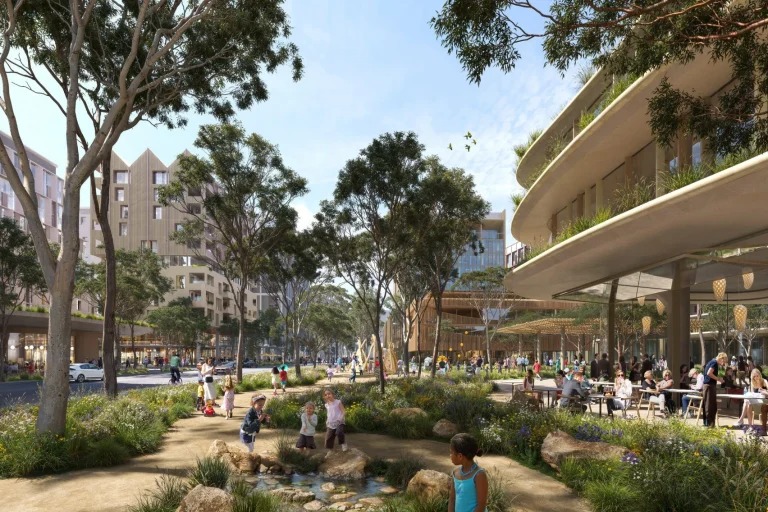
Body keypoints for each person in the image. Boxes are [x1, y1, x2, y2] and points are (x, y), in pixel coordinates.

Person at [448, 433, 488, 512]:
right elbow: (452, 499)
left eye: (451, 452)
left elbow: (481, 505)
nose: (450, 455)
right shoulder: (455, 473)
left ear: (460, 456)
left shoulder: (479, 475)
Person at [702, 352, 729, 427]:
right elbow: (709, 373)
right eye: (724, 361)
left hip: (708, 385)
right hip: (709, 385)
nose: (723, 363)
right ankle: (709, 424)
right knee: (710, 406)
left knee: (708, 405)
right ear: (721, 358)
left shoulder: (711, 362)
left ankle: (707, 423)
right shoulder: (714, 363)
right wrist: (719, 379)